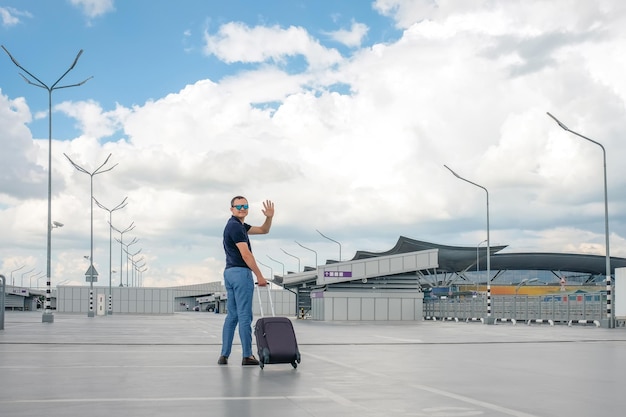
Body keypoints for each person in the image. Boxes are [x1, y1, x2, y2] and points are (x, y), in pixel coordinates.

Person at [218, 196, 274, 366]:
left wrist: (269, 217)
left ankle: (224, 355)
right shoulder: (235, 227)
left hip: (229, 272)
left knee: (233, 315)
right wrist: (259, 275)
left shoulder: (239, 225)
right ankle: (247, 355)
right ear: (231, 209)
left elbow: (264, 230)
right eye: (238, 206)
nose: (242, 208)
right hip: (241, 273)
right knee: (244, 315)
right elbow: (246, 254)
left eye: (245, 206)